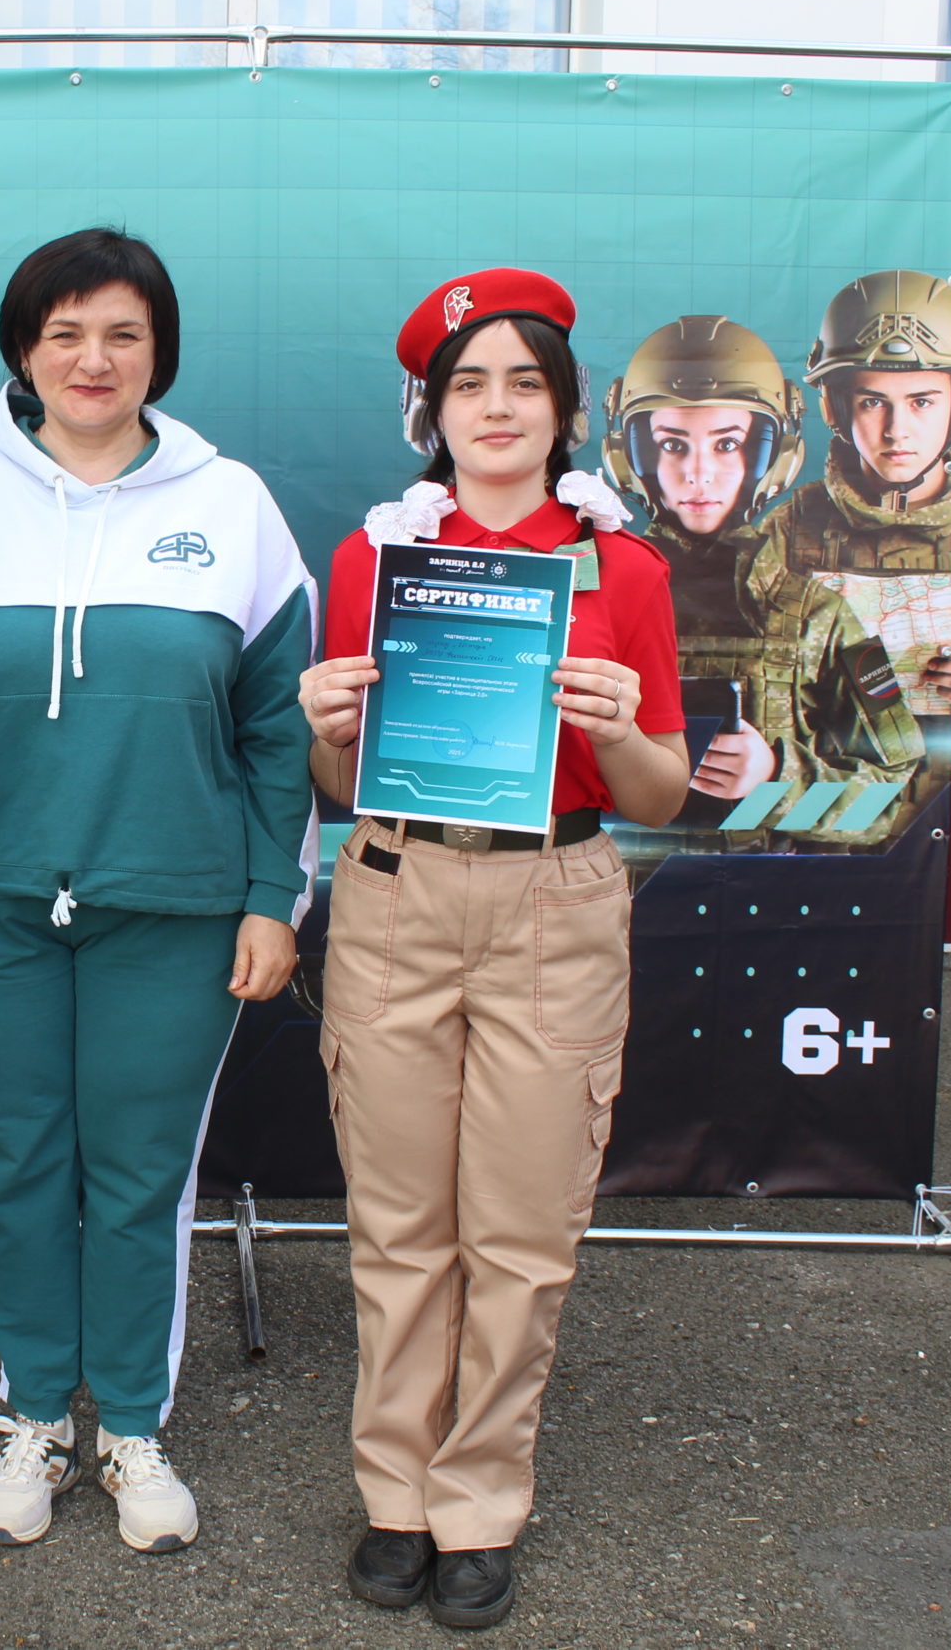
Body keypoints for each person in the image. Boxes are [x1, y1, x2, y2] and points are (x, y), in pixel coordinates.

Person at [0, 227, 315, 1556]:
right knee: (16, 1169)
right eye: (63, 333)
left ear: (158, 353)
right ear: (24, 350)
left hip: (176, 909)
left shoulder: (233, 505)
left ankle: (128, 1421)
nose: (92, 359)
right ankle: (33, 1419)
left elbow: (277, 732)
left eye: (123, 333)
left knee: (139, 1176)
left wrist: (271, 896)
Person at [297, 269, 689, 1629]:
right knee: (400, 1225)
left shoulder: (624, 568)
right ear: (433, 411)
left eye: (526, 381)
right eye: (469, 383)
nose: (498, 406)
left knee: (520, 1234)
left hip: (552, 897)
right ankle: (394, 1493)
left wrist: (622, 728)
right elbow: (337, 782)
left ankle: (477, 1501)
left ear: (567, 408)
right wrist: (327, 725)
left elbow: (658, 794)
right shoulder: (376, 559)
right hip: (399, 888)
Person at [600, 315, 923, 831]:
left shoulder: (820, 617)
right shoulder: (592, 598)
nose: (699, 473)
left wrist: (775, 776)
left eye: (727, 444)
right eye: (672, 444)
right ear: (631, 455)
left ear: (769, 455)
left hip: (768, 877)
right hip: (606, 873)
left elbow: (894, 797)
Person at [759, 270, 951, 721]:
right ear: (836, 407)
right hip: (826, 760)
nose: (896, 430)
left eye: (922, 402)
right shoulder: (790, 529)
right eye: (872, 402)